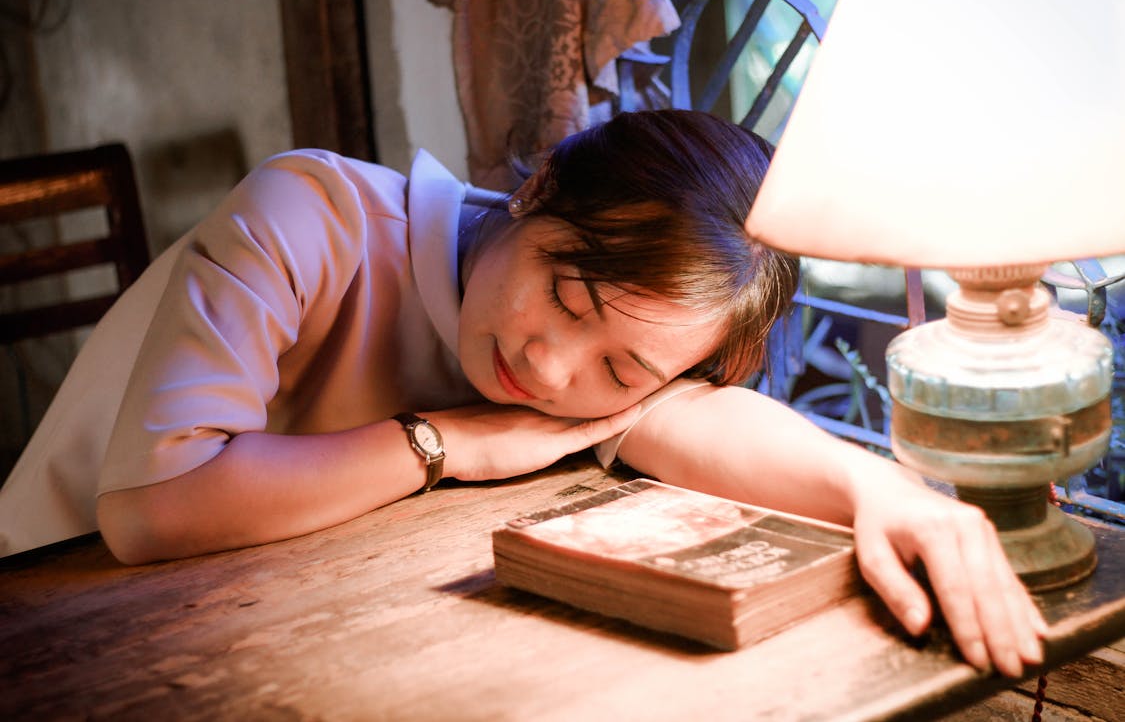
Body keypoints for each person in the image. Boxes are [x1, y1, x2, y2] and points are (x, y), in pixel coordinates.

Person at [0, 109, 1044, 677]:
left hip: (272, 636)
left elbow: (691, 420)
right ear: (535, 190)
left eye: (623, 371)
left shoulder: (615, 373)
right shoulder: (309, 215)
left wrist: (887, 496)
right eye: (566, 291)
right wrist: (441, 443)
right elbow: (148, 510)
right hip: (58, 626)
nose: (551, 371)